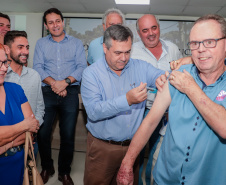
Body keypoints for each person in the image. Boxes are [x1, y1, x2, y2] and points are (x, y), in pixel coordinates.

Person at [117, 14, 226, 185]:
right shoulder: (178, 75)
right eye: (195, 43)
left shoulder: (185, 80)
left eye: (210, 42)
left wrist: (190, 88)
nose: (201, 49)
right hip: (165, 178)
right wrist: (127, 163)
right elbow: (150, 121)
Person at [81, 24, 165, 185]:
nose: (124, 58)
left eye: (127, 52)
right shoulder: (91, 74)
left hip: (133, 149)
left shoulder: (140, 66)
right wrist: (126, 100)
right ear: (105, 48)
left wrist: (164, 78)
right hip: (102, 148)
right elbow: (93, 111)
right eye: (118, 52)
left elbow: (161, 76)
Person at [33, 8, 87, 185]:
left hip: (70, 90)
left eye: (57, 21)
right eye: (50, 22)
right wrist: (55, 84)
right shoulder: (41, 43)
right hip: (47, 91)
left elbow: (81, 68)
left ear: (63, 22)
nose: (55, 25)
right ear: (46, 25)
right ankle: (47, 167)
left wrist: (64, 82)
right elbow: (38, 68)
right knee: (42, 133)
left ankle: (64, 172)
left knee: (68, 135)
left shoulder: (76, 43)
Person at [131, 14, 182, 185]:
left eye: (154, 28)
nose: (151, 33)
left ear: (159, 28)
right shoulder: (132, 51)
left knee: (157, 154)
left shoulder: (173, 49)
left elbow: (180, 76)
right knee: (136, 153)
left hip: (168, 113)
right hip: (141, 110)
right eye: (145, 30)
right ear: (139, 33)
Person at [0, 43, 40, 185]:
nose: (5, 68)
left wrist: (5, 145)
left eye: (5, 62)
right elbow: (27, 126)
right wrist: (23, 125)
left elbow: (33, 128)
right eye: (0, 63)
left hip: (19, 166)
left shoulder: (16, 90)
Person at [4, 30, 44, 158]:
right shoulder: (2, 77)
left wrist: (33, 128)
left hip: (31, 139)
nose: (26, 52)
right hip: (6, 142)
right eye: (20, 47)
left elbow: (40, 106)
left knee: (29, 176)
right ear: (7, 49)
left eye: (27, 47)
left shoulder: (34, 75)